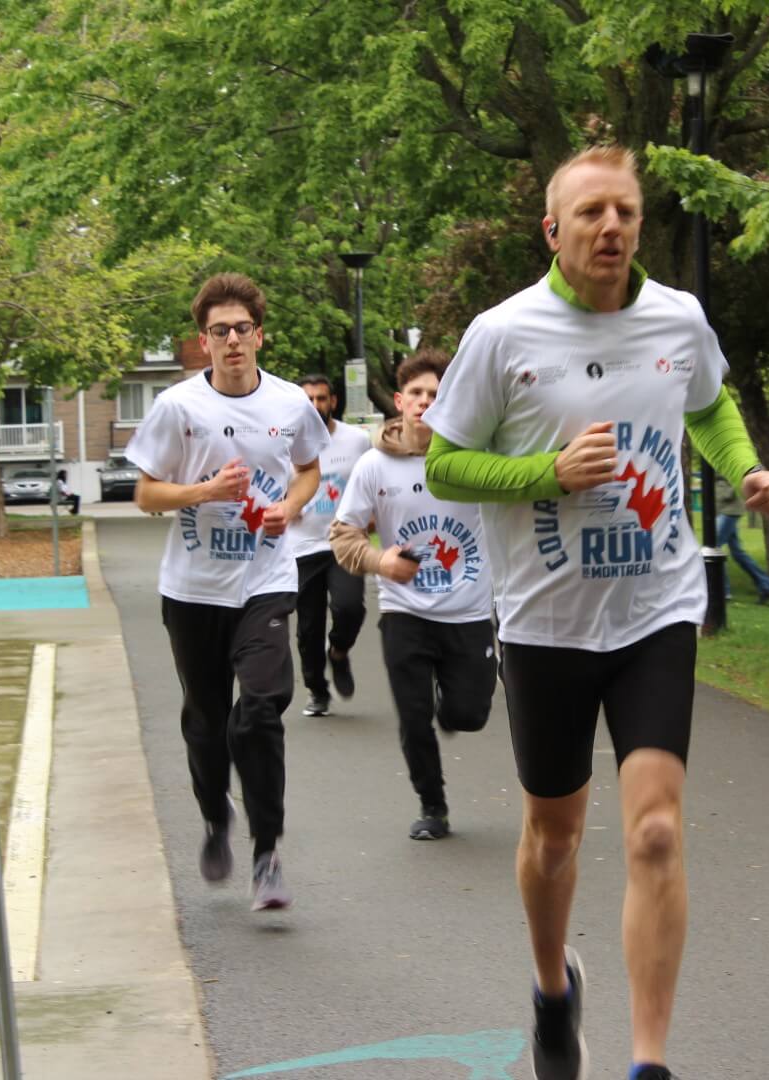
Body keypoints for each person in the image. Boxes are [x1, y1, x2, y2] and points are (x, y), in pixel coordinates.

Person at [422, 145, 769, 1080]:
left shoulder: (678, 318)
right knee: (554, 837)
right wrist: (546, 472)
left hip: (655, 608)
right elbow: (444, 465)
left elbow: (707, 406)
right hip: (546, 621)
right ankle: (553, 988)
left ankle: (648, 1062)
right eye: (590, 212)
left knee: (656, 829)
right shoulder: (503, 334)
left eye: (625, 211)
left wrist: (745, 469)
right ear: (553, 230)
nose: (611, 227)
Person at [125, 272, 328, 911]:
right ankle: (216, 813)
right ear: (204, 341)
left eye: (242, 329)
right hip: (193, 590)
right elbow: (145, 494)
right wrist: (204, 492)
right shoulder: (179, 407)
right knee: (206, 723)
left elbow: (309, 470)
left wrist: (290, 507)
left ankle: (267, 854)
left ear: (259, 336)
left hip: (265, 582)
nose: (233, 340)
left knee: (261, 709)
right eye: (220, 331)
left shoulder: (290, 403)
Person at [329, 350, 496, 841]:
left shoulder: (474, 459)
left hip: (468, 612)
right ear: (400, 402)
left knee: (469, 714)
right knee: (413, 716)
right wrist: (380, 561)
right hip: (404, 611)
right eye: (417, 393)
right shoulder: (374, 465)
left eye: (436, 395)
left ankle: (454, 706)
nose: (425, 402)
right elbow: (343, 535)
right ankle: (432, 806)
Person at [284, 373, 373, 716]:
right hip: (302, 545)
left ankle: (338, 652)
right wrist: (284, 506)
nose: (315, 405)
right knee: (308, 628)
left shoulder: (357, 441)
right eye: (308, 399)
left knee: (350, 608)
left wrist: (374, 514)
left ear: (333, 401)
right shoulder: (285, 442)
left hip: (345, 542)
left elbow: (371, 481)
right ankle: (317, 690)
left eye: (321, 398)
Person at [711, 473, 769, 603]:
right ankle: (766, 586)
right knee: (737, 553)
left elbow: (738, 476)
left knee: (713, 548)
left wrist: (726, 494)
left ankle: (723, 592)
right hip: (723, 509)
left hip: (729, 509)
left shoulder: (725, 461)